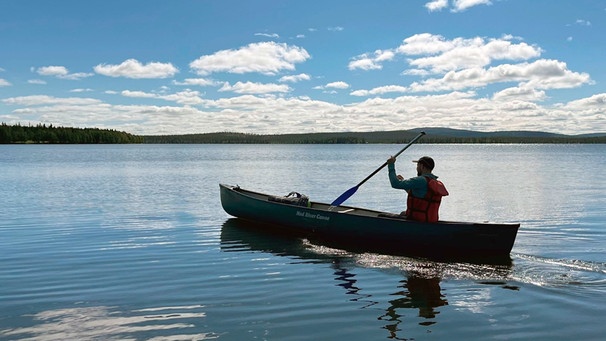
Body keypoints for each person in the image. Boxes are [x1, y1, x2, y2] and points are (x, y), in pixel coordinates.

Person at [386, 155, 448, 222]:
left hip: (417, 220)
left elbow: (395, 184)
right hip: (430, 219)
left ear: (421, 166)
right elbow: (418, 194)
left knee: (381, 215)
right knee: (403, 213)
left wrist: (391, 165)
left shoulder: (420, 180)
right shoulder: (434, 182)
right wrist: (404, 184)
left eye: (417, 166)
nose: (417, 168)